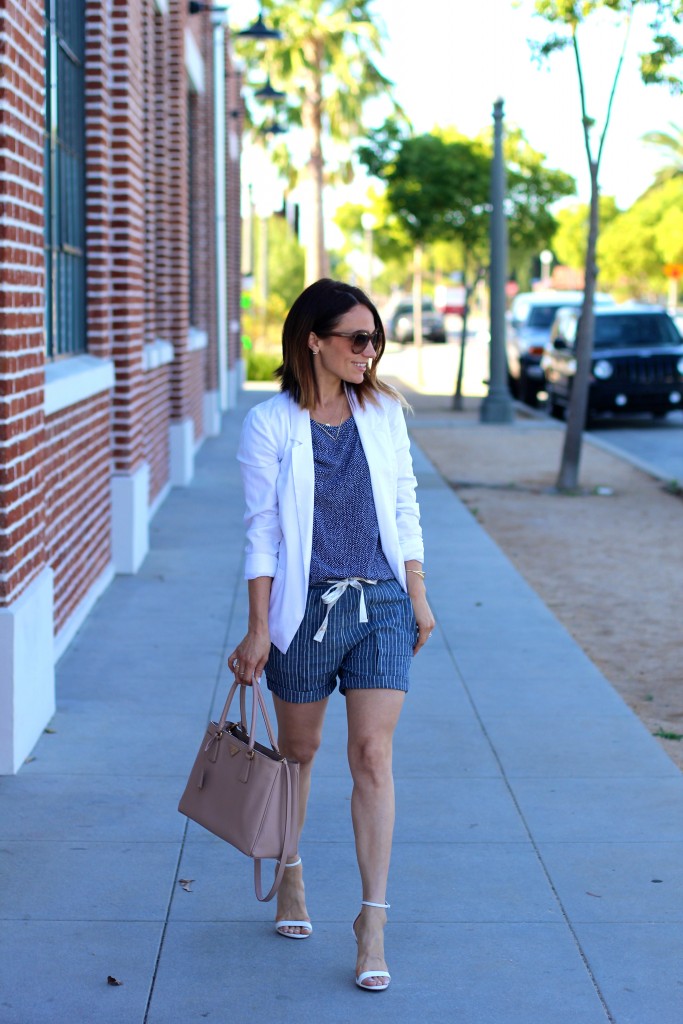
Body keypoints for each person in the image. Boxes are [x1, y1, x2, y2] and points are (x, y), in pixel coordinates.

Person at [228, 278, 434, 991]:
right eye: (356, 338)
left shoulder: (382, 412)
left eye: (374, 339)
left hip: (380, 602)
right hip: (306, 611)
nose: (368, 351)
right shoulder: (270, 424)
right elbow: (260, 535)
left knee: (372, 754)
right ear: (312, 340)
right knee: (299, 751)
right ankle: (290, 873)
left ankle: (370, 920)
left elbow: (404, 505)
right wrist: (258, 628)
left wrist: (418, 593)